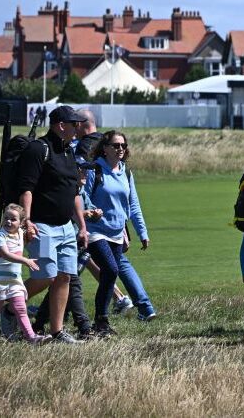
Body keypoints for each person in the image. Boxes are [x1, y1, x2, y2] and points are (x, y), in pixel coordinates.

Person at [16, 104, 90, 345]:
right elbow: (26, 189)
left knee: (64, 277)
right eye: (75, 124)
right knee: (46, 277)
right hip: (42, 225)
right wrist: (26, 222)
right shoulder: (39, 149)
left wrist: (81, 225)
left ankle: (57, 331)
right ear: (61, 126)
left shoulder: (69, 151)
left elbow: (74, 192)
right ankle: (7, 307)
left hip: (66, 226)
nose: (79, 128)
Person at [83, 130, 155, 335]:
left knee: (109, 275)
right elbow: (83, 197)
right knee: (112, 269)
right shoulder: (94, 170)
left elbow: (133, 205)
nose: (120, 149)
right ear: (104, 148)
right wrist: (88, 215)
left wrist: (142, 232)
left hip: (116, 232)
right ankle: (100, 319)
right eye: (116, 145)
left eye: (123, 145)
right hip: (95, 231)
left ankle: (100, 322)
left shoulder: (126, 172)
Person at [0, 204, 51, 345]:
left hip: (14, 281)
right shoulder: (0, 236)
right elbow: (6, 255)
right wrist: (25, 260)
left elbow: (34, 236)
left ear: (21, 222)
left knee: (21, 308)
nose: (9, 221)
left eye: (13, 219)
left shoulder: (20, 233)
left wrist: (41, 236)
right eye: (6, 218)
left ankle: (32, 338)